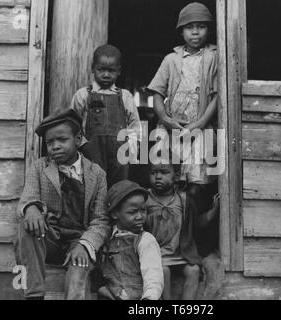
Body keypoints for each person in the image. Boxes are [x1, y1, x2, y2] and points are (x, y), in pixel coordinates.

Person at [146, 2, 219, 256]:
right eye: (190, 28)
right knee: (169, 182)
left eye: (200, 27)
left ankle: (194, 243)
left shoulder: (214, 57)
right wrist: (165, 119)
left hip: (200, 131)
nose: (195, 33)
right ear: (181, 31)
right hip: (172, 131)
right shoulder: (171, 59)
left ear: (208, 30)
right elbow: (156, 93)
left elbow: (217, 98)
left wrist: (199, 124)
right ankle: (167, 242)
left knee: (197, 186)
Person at [14, 109, 110, 300]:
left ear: (78, 138)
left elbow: (101, 219)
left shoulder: (97, 174)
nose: (55, 147)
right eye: (50, 142)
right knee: (26, 228)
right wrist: (32, 208)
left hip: (78, 241)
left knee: (79, 272)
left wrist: (85, 244)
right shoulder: (40, 167)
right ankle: (34, 295)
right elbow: (27, 197)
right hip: (49, 238)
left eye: (62, 140)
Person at [145, 157, 219, 300]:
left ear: (177, 176)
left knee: (194, 270)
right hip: (157, 256)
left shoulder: (184, 199)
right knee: (163, 271)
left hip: (181, 255)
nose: (158, 176)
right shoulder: (146, 198)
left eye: (164, 172)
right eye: (153, 173)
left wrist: (212, 212)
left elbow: (196, 223)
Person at [70, 44, 141, 187]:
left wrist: (132, 152)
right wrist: (83, 145)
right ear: (92, 68)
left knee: (119, 188)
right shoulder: (83, 95)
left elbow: (134, 126)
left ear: (119, 71)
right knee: (92, 186)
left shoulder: (125, 96)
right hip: (91, 152)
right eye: (101, 70)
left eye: (111, 71)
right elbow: (72, 124)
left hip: (120, 154)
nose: (106, 75)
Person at [98, 180, 164, 300]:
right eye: (132, 212)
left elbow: (153, 276)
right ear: (114, 214)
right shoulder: (107, 239)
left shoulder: (145, 240)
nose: (139, 216)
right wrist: (102, 289)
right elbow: (99, 272)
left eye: (143, 210)